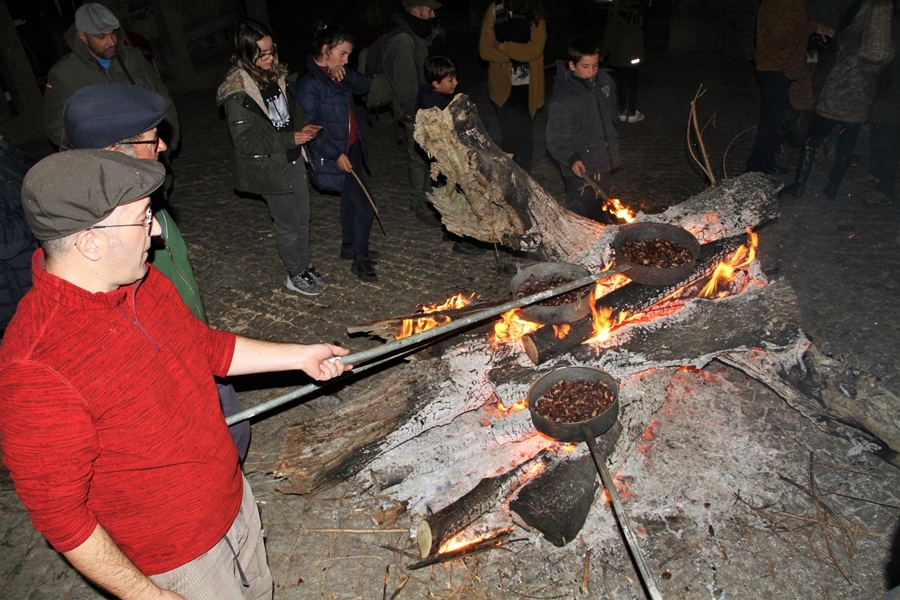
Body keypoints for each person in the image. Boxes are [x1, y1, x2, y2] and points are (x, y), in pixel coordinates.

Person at [0, 149, 350, 599]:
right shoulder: (37, 367)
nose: (158, 229)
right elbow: (59, 515)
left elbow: (206, 349)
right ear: (90, 242)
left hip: (232, 500)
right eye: (143, 218)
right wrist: (146, 595)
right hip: (179, 559)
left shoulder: (140, 282)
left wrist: (299, 356)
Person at [63, 82, 252, 463]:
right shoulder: (108, 237)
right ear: (116, 151)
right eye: (152, 140)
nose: (163, 146)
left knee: (233, 427)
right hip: (171, 361)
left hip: (193, 343)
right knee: (215, 442)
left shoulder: (142, 205)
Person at [217, 20, 327, 296]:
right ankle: (294, 273)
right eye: (262, 54)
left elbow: (291, 112)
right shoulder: (238, 92)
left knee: (303, 218)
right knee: (288, 223)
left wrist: (303, 129)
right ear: (246, 54)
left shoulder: (275, 76)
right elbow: (245, 140)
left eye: (271, 50)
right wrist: (290, 139)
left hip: (292, 158)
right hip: (269, 167)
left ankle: (304, 264)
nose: (269, 57)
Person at [783, 0, 895, 200]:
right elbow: (884, 82)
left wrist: (818, 88)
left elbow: (827, 67)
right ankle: (832, 188)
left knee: (812, 141)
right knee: (847, 145)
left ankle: (799, 187)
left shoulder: (848, 37)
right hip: (859, 104)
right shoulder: (884, 48)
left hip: (833, 99)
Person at [297, 22, 378, 283]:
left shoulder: (339, 72)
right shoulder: (310, 83)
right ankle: (360, 259)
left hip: (351, 147)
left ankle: (348, 247)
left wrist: (347, 72)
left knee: (349, 201)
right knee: (364, 205)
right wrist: (334, 154)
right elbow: (310, 129)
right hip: (335, 152)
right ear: (324, 49)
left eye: (348, 55)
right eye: (342, 53)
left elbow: (364, 87)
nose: (346, 59)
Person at [43, 3, 179, 153]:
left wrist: (170, 142)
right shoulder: (64, 75)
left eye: (112, 33)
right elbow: (56, 128)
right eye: (101, 37)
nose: (111, 42)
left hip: (149, 151)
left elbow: (162, 98)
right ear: (82, 36)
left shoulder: (133, 58)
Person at [746, 0, 833, 175]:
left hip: (776, 65)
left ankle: (764, 163)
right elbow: (782, 36)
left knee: (774, 119)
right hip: (775, 67)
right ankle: (756, 168)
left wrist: (813, 27)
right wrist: (810, 28)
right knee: (771, 121)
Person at [546, 37, 620, 223]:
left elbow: (610, 115)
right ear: (572, 65)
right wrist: (573, 158)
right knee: (581, 216)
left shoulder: (605, 82)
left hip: (602, 162)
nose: (591, 72)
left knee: (601, 213)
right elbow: (555, 138)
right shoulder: (564, 98)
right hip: (581, 168)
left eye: (595, 65)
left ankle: (600, 248)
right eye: (585, 67)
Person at [382, 0, 443, 225]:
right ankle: (421, 205)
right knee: (419, 159)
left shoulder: (413, 34)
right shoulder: (403, 39)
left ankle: (425, 200)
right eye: (429, 9)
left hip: (421, 108)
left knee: (424, 158)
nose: (433, 14)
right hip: (414, 112)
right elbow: (406, 86)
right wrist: (415, 115)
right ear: (416, 10)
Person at [479, 0, 547, 174]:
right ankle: (510, 180)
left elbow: (535, 50)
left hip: (529, 87)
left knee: (526, 137)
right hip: (503, 86)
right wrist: (517, 55)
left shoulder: (535, 11)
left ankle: (526, 179)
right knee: (509, 136)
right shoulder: (495, 9)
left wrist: (503, 47)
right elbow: (485, 50)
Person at [0, 137, 38, 336]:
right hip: (18, 300)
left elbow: (34, 173)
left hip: (34, 285)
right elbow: (4, 241)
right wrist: (39, 203)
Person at [599, 0, 647, 123]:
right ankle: (631, 112)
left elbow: (610, 33)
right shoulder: (638, 8)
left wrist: (603, 52)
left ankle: (622, 112)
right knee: (633, 83)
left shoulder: (616, 10)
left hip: (620, 51)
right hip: (635, 51)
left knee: (621, 83)